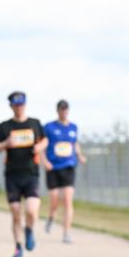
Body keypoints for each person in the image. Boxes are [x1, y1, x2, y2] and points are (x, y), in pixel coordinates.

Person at [0, 92, 47, 257]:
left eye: (21, 104)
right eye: (16, 104)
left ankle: (29, 229)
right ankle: (18, 247)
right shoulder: (4, 126)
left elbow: (45, 140)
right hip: (12, 175)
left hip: (31, 174)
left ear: (26, 104)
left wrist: (40, 148)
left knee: (31, 210)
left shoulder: (35, 123)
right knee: (16, 212)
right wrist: (5, 144)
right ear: (11, 106)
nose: (19, 107)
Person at [43, 99, 86, 244]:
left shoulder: (73, 127)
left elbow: (75, 144)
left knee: (68, 201)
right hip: (53, 168)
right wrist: (45, 161)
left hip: (68, 166)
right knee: (55, 201)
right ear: (57, 111)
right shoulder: (49, 127)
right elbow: (42, 145)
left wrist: (79, 155)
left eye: (66, 109)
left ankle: (66, 233)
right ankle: (51, 217)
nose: (64, 111)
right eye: (61, 109)